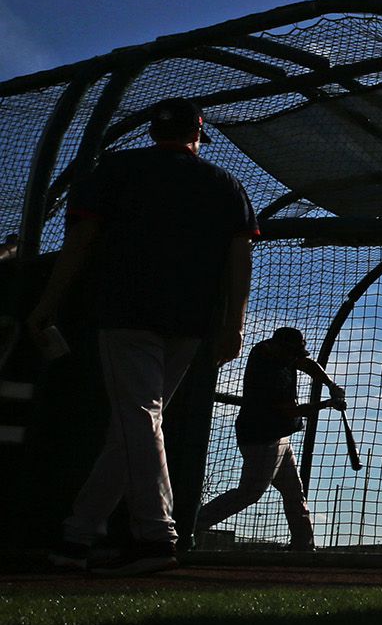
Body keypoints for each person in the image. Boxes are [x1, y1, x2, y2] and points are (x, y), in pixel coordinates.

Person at [30, 97, 258, 576]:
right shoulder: (225, 184)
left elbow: (79, 244)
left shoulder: (116, 169)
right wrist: (234, 323)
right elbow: (241, 262)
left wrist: (47, 304)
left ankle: (155, 536)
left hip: (126, 314)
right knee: (136, 425)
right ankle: (77, 535)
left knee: (138, 420)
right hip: (191, 323)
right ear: (197, 135)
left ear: (155, 132)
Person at [195, 327, 346, 550]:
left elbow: (306, 364)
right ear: (280, 349)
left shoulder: (272, 351)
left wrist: (330, 384)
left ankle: (303, 545)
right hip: (261, 438)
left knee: (294, 492)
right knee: (249, 493)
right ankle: (192, 525)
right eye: (292, 354)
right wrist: (327, 404)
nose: (295, 359)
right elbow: (289, 412)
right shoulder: (268, 373)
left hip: (278, 438)